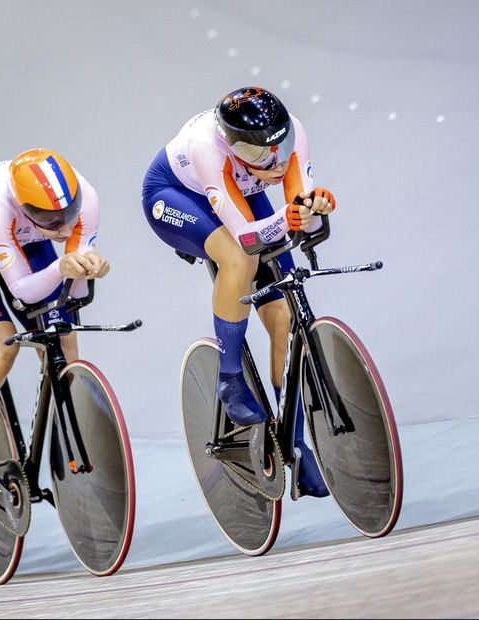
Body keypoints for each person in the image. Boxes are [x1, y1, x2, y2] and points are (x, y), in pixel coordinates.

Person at [141, 87, 334, 497]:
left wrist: (314, 210)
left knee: (283, 316)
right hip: (177, 196)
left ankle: (294, 440)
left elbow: (301, 215)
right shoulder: (207, 148)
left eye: (279, 146)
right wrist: (290, 216)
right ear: (233, 145)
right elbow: (247, 236)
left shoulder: (291, 135)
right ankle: (229, 379)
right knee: (238, 260)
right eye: (260, 153)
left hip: (240, 192)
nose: (276, 159)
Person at [0, 148, 109, 491]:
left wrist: (90, 267)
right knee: (0, 350)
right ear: (25, 207)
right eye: (51, 219)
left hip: (27, 244)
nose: (64, 226)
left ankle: (60, 426)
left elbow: (74, 294)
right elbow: (23, 292)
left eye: (68, 213)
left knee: (63, 341)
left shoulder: (85, 197)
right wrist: (61, 267)